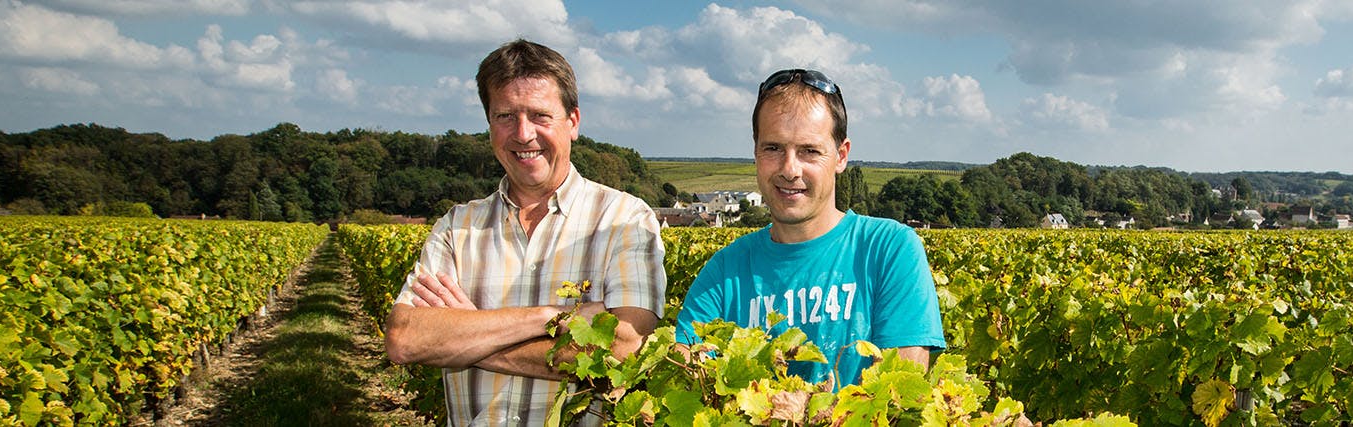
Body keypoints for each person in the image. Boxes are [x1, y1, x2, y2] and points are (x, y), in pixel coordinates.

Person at [382, 38, 665, 426]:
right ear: (489, 125)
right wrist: (554, 316)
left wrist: (468, 338)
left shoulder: (624, 219)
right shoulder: (457, 227)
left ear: (573, 122)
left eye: (540, 116)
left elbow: (623, 349)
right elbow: (405, 338)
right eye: (505, 116)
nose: (523, 133)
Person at [674, 69, 947, 387]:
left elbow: (901, 392)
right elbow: (688, 370)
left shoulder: (889, 249)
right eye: (773, 148)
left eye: (810, 151)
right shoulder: (724, 271)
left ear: (841, 156)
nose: (790, 169)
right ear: (756, 152)